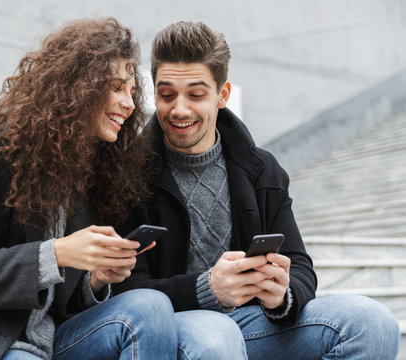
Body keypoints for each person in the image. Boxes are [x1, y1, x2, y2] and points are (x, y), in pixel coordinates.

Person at [113, 21, 401, 359]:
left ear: (222, 95)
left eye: (196, 94)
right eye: (166, 95)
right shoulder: (125, 174)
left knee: (373, 323)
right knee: (216, 338)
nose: (179, 109)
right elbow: (124, 289)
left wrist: (281, 295)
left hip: (253, 323)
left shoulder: (262, 169)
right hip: (175, 326)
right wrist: (206, 290)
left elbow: (300, 265)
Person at [0, 18, 178, 360]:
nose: (129, 103)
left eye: (132, 92)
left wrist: (96, 280)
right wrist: (56, 254)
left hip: (57, 340)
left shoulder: (93, 169)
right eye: (116, 87)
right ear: (79, 86)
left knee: (151, 306)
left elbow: (61, 303)